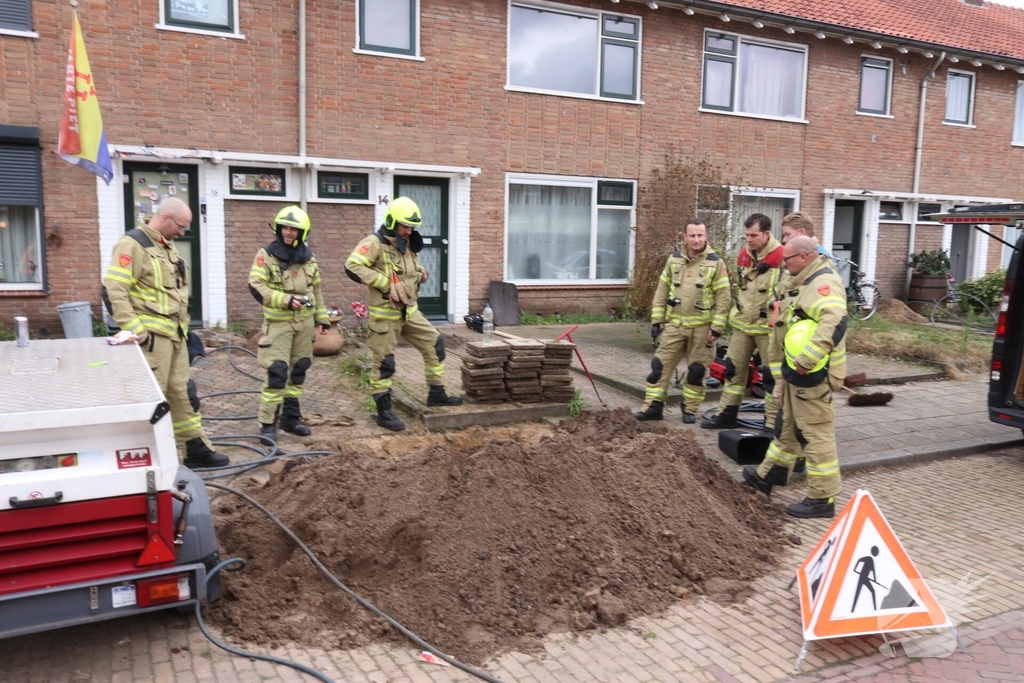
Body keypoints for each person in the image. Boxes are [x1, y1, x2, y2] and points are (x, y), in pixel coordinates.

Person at [102, 197, 228, 469]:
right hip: (152, 340)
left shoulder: (166, 247)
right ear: (166, 218)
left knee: (181, 392)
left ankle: (195, 449)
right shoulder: (132, 245)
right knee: (152, 396)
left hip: (175, 336)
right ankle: (142, 457)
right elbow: (114, 290)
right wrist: (137, 332)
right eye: (181, 227)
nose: (183, 233)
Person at [742, 235, 848, 519]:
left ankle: (822, 499)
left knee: (815, 435)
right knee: (786, 427)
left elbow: (835, 320)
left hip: (812, 374)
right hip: (795, 373)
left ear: (804, 257)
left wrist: (807, 359)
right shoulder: (803, 279)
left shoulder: (823, 284)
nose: (783, 264)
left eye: (787, 259)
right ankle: (768, 476)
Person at [344, 197, 462, 431]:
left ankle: (436, 393)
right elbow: (352, 266)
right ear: (391, 221)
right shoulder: (374, 242)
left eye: (411, 227)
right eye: (404, 226)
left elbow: (410, 270)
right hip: (385, 316)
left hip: (410, 312)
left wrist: (422, 273)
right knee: (384, 363)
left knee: (435, 344)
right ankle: (383, 412)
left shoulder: (406, 243)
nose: (408, 231)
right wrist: (384, 283)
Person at [247, 206, 330, 444]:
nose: (288, 232)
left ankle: (291, 419)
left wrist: (321, 317)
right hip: (279, 326)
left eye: (294, 229)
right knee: (277, 373)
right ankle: (267, 424)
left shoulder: (308, 258)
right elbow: (256, 285)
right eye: (285, 227)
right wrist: (285, 300)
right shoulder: (266, 254)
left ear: (302, 232)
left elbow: (316, 290)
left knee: (299, 370)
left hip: (304, 325)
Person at [635, 219, 730, 424]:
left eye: (700, 235)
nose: (696, 240)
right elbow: (662, 290)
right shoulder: (674, 260)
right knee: (659, 366)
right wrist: (657, 319)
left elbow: (724, 297)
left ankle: (690, 409)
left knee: (697, 372)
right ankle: (653, 407)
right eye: (692, 235)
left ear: (706, 236)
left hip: (702, 328)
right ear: (684, 237)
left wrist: (717, 327)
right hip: (675, 325)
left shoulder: (716, 262)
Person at [701, 213, 783, 432]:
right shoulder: (744, 255)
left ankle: (771, 423)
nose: (749, 239)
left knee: (770, 378)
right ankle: (726, 415)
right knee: (732, 371)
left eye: (754, 235)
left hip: (768, 330)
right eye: (746, 235)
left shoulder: (781, 256)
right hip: (742, 326)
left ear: (767, 234)